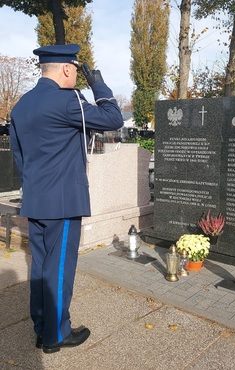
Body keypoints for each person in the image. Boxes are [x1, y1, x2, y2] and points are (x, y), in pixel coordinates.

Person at [9, 44, 123, 354]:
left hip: (36, 199)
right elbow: (114, 118)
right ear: (68, 69)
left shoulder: (21, 106)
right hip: (63, 202)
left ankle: (42, 327)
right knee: (58, 268)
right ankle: (56, 334)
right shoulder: (68, 100)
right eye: (76, 71)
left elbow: (19, 157)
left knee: (40, 267)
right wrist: (97, 82)